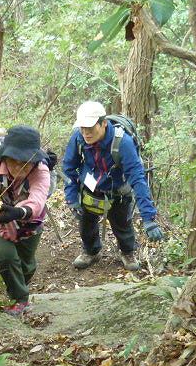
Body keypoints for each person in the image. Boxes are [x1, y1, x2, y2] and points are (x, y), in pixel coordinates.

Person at [62, 101, 164, 271]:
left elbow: (137, 178)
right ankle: (91, 251)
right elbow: (69, 167)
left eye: (90, 128)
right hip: (89, 188)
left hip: (118, 192)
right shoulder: (77, 137)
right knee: (86, 224)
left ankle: (127, 252)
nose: (86, 133)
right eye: (82, 128)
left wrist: (148, 218)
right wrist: (72, 197)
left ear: (103, 123)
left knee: (122, 224)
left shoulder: (123, 142)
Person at [0, 125, 50, 316]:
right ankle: (20, 299)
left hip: (28, 222)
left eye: (25, 162)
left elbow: (38, 200)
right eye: (13, 161)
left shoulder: (41, 171)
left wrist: (17, 212)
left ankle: (17, 288)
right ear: (5, 156)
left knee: (27, 265)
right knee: (7, 256)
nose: (19, 167)